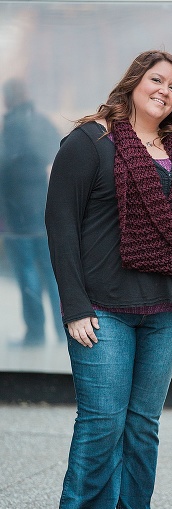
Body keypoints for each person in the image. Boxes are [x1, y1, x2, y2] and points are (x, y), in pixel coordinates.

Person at [45, 50, 172, 509]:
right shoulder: (90, 141)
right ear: (134, 82)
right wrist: (74, 306)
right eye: (157, 80)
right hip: (102, 307)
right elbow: (61, 225)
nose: (165, 92)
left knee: (142, 425)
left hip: (168, 305)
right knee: (102, 422)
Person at [0, 78, 61, 346]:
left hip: (16, 215)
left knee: (27, 272)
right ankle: (63, 331)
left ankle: (35, 333)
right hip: (44, 209)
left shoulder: (9, 127)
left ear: (7, 98)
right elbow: (59, 151)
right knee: (52, 272)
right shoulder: (41, 122)